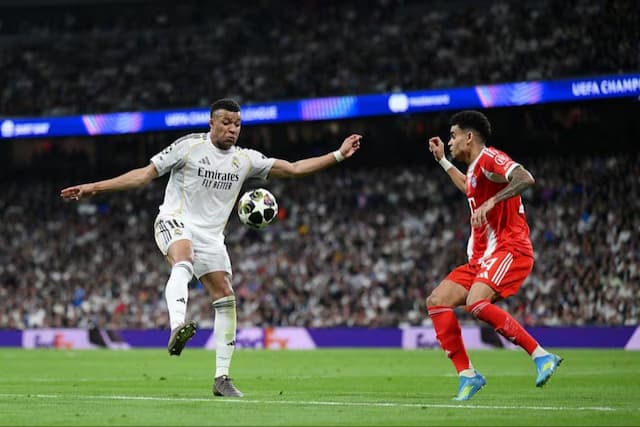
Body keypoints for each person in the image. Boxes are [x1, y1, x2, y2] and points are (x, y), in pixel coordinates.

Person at [60, 98, 362, 397]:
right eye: (226, 123)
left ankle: (222, 378)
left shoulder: (245, 159)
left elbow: (294, 168)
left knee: (226, 296)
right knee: (184, 258)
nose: (233, 129)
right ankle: (176, 327)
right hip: (175, 220)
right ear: (211, 123)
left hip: (211, 237)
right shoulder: (188, 146)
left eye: (238, 124)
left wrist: (338, 154)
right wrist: (93, 188)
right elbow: (143, 175)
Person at [426, 110, 562, 401]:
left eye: (453, 136)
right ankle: (468, 375)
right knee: (437, 301)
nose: (450, 142)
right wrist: (442, 160)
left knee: (476, 302)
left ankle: (541, 355)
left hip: (509, 248)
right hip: (481, 258)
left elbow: (525, 178)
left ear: (469, 137)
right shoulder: (475, 170)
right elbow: (467, 187)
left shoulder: (490, 158)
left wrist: (492, 202)